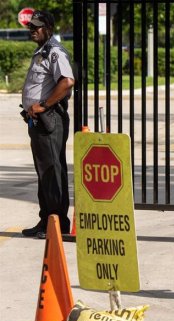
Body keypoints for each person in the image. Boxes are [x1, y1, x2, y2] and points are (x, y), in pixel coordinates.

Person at [20, 10, 75, 239]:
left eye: (37, 26)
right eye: (31, 26)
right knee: (45, 172)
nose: (32, 30)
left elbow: (67, 82)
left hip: (49, 119)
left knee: (53, 171)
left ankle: (58, 224)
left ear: (49, 27)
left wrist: (42, 105)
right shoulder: (42, 51)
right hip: (38, 121)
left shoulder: (54, 51)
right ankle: (46, 221)